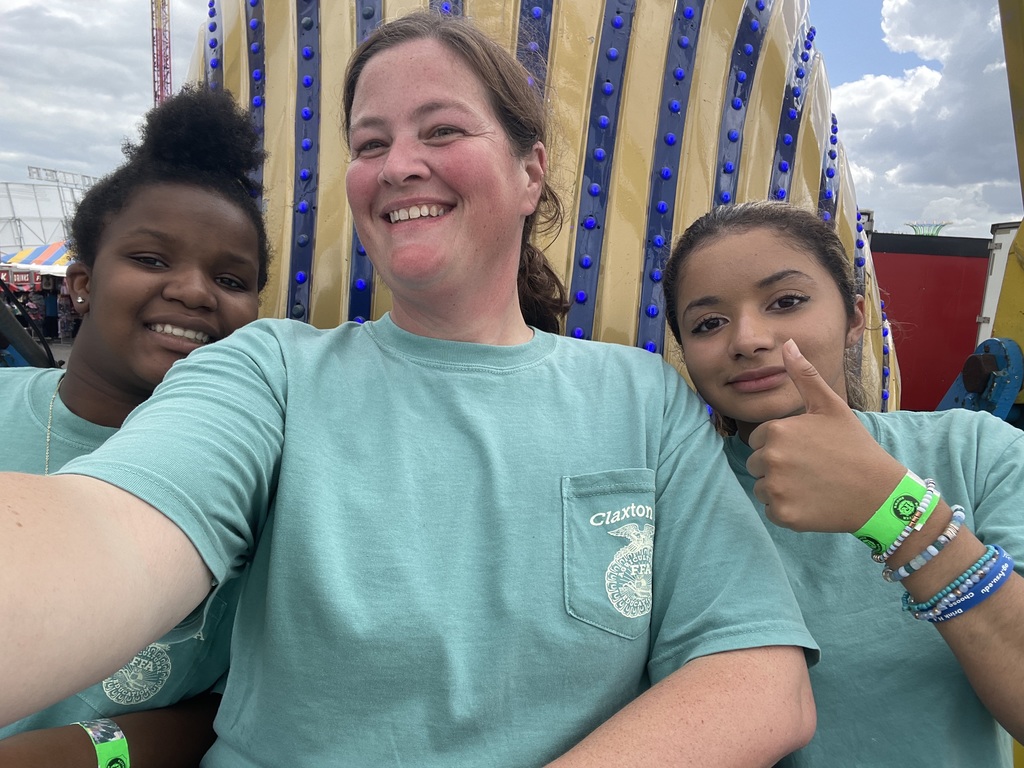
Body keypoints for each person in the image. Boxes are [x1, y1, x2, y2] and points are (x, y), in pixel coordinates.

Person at [0, 13, 818, 766]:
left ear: (530, 171)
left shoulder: (642, 399)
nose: (398, 166)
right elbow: (113, 529)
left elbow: (757, 675)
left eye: (442, 130)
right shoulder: (270, 372)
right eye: (369, 143)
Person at [663, 200, 1024, 767]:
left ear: (855, 318)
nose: (749, 339)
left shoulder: (976, 452)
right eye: (709, 323)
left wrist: (890, 509)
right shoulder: (669, 492)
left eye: (786, 301)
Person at [0, 85, 269, 767]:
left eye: (232, 278)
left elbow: (242, 704)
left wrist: (79, 755)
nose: (194, 290)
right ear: (82, 284)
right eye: (151, 260)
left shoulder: (261, 477)